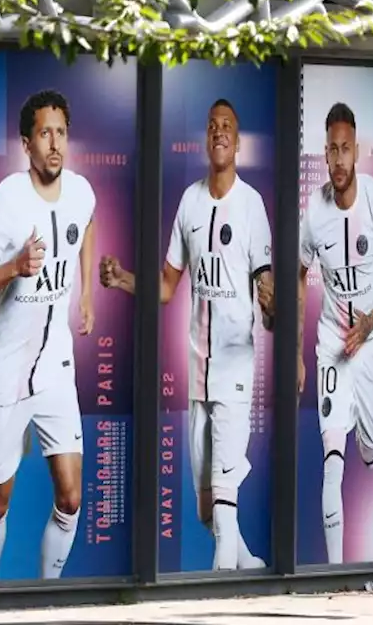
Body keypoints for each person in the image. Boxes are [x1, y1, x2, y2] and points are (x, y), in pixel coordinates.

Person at [101, 98, 272, 571]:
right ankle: (248, 564)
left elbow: (266, 283)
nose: (219, 132)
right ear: (207, 138)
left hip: (236, 366)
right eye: (212, 125)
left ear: (237, 143)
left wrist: (274, 308)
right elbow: (166, 286)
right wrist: (121, 280)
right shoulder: (190, 202)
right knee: (206, 509)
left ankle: (217, 585)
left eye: (228, 127)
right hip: (198, 368)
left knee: (223, 491)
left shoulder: (252, 205)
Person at [0, 90, 97, 581]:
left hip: (56, 369)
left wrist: (87, 293)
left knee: (71, 497)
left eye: (62, 133)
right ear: (26, 143)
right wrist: (13, 267)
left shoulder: (80, 191)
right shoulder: (6, 201)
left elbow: (87, 223)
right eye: (45, 134)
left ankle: (46, 595)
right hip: (7, 372)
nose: (55, 144)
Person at [297, 103, 373, 564]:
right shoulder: (313, 211)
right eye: (332, 150)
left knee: (370, 448)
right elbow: (301, 274)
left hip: (370, 342)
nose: (339, 160)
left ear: (356, 151)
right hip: (330, 346)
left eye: (346, 149)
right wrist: (301, 355)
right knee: (332, 462)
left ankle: (369, 441)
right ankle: (335, 574)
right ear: (324, 154)